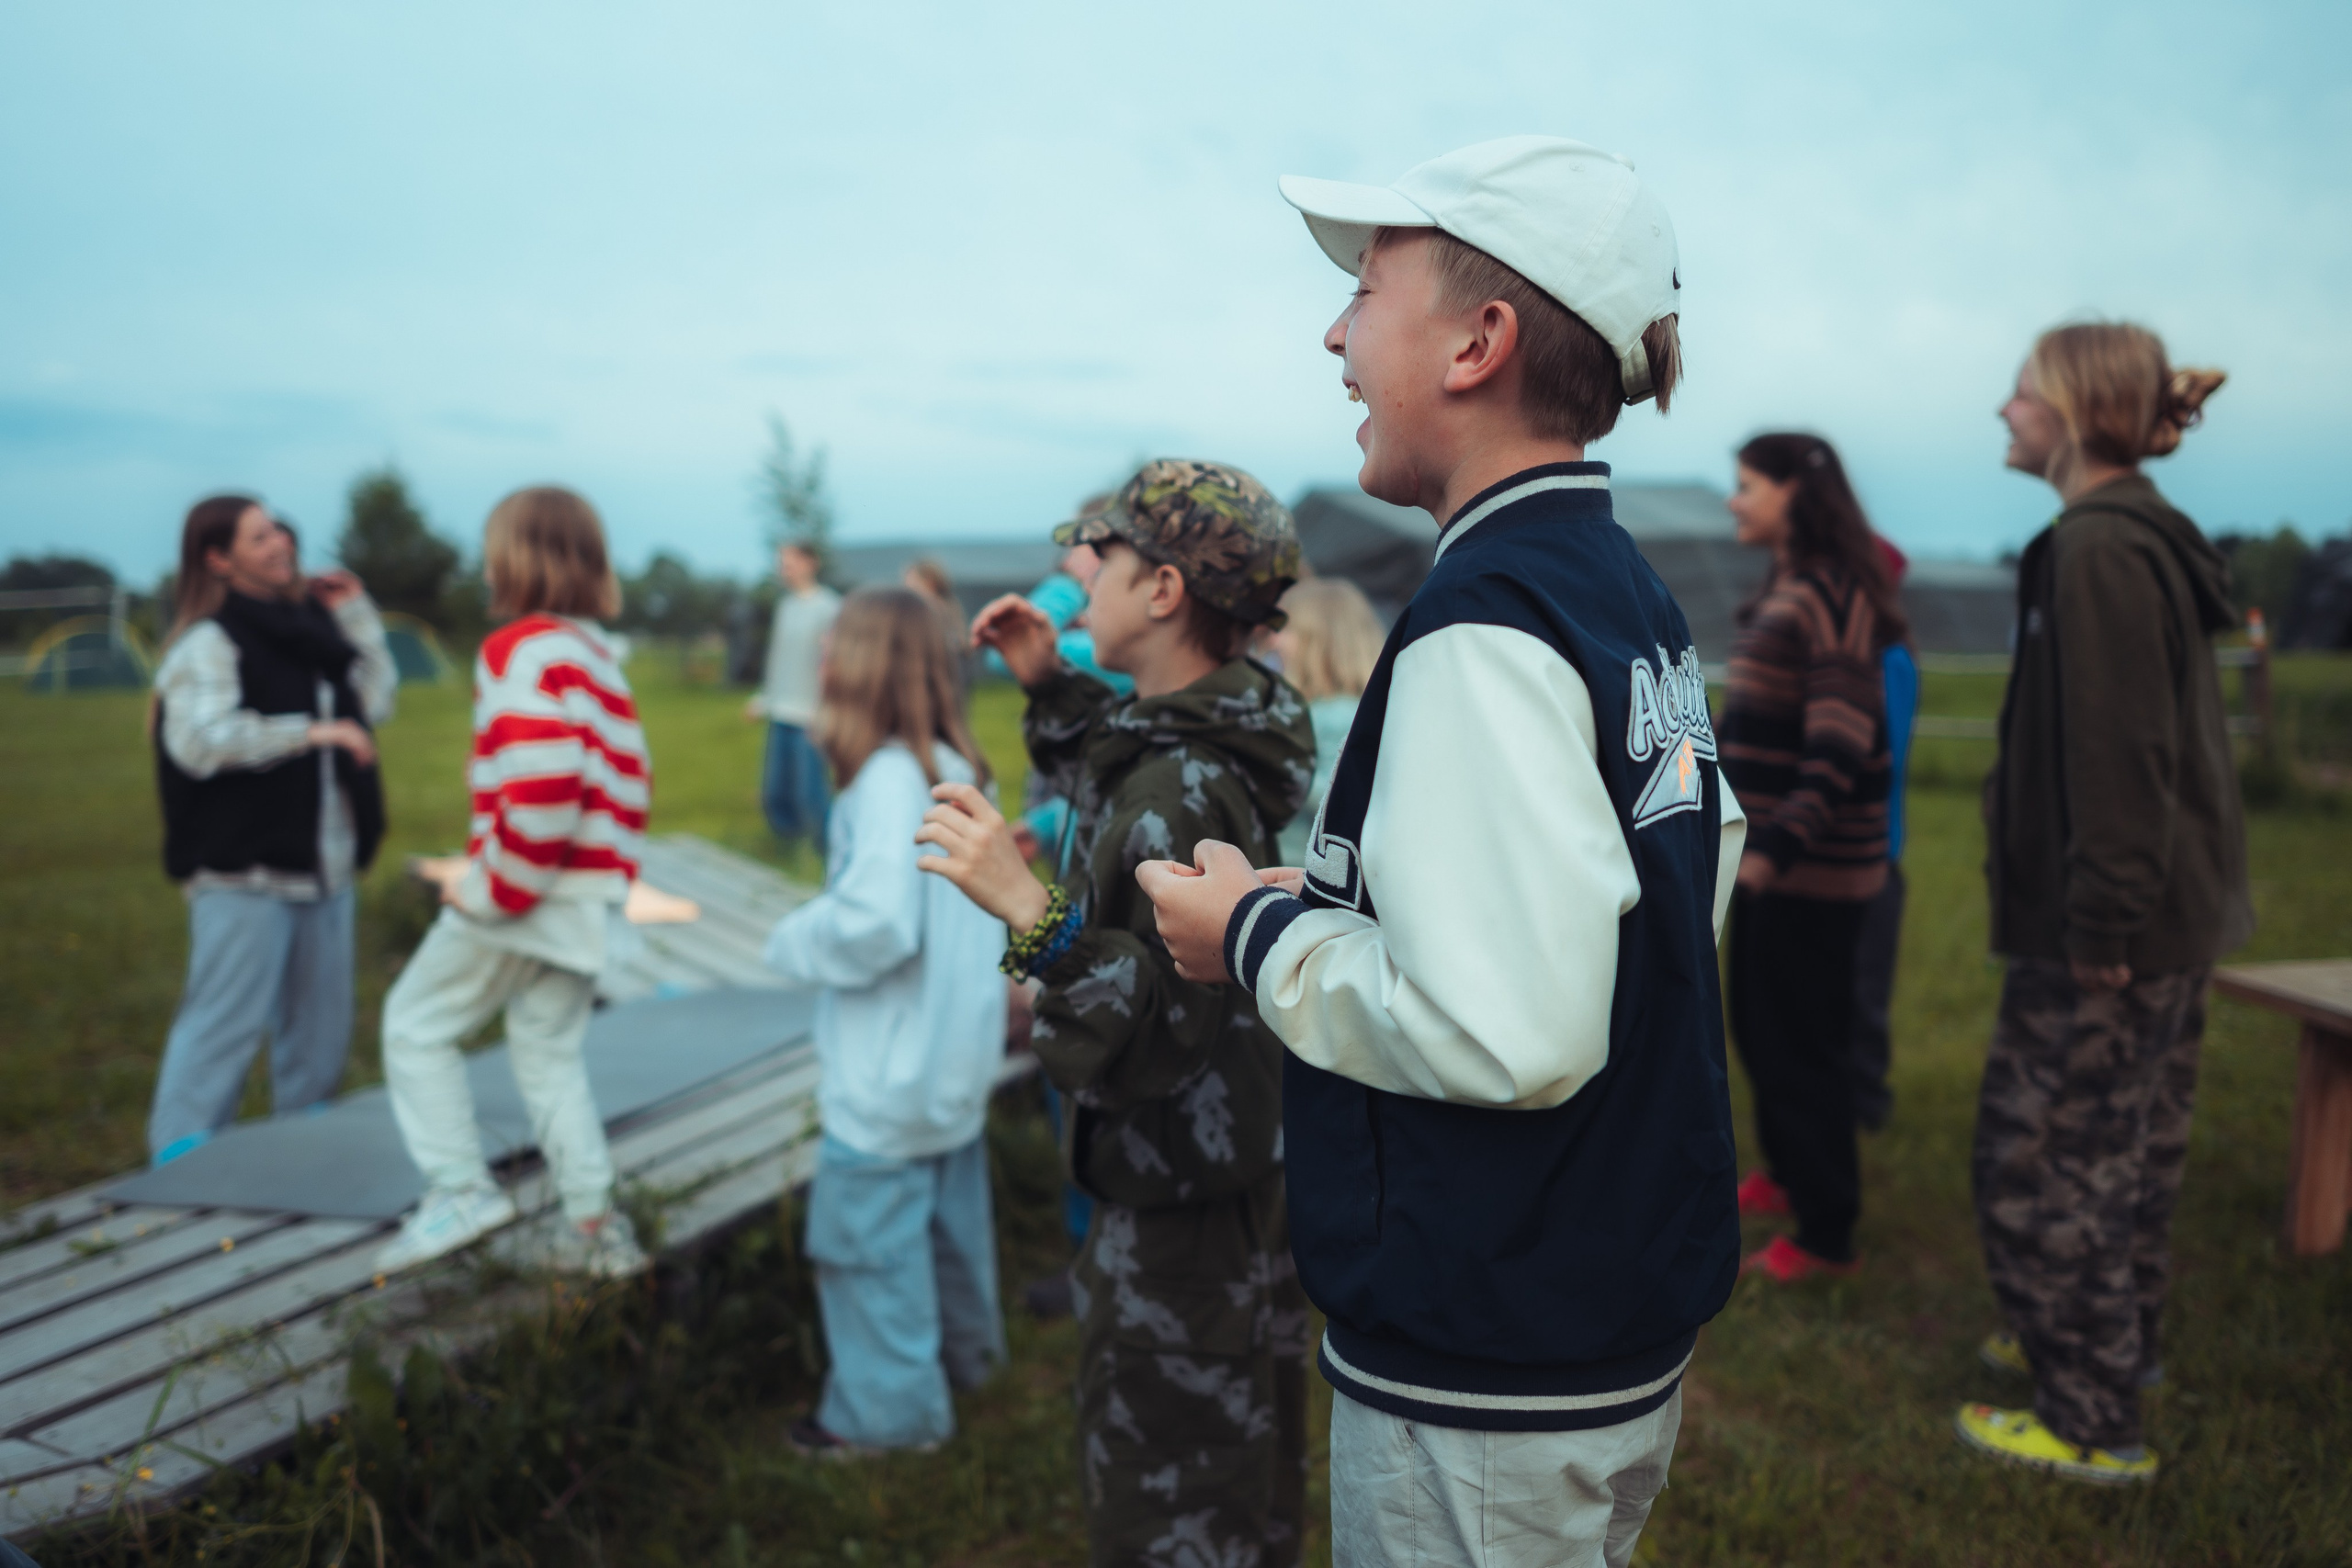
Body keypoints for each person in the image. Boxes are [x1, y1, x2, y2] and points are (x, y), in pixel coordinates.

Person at [1140, 137, 1747, 1568]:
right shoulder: (1614, 578)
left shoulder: (1486, 615)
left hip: (1490, 1348)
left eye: (1365, 289)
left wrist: (1251, 934)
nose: (1334, 331)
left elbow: (1505, 1025)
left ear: (1479, 341)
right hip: (1603, 1298)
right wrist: (1354, 898)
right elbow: (1670, 875)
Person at [912, 461, 1315, 1568]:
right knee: (1234, 1479)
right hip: (1217, 1176)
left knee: (1181, 1505)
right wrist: (1049, 683)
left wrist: (1026, 909)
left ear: (1166, 592)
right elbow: (1133, 756)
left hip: (1181, 1194)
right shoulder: (1203, 736)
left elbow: (1154, 1033)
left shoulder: (1178, 787)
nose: (1080, 572)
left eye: (1110, 555)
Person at [1955, 321, 2246, 1485]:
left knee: (2041, 1162)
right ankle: (2112, 1350)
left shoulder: (2096, 551)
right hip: (2164, 915)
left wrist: (2103, 924)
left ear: (2071, 410)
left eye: (2020, 392)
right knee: (2127, 1144)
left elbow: (2123, 755)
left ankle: (2087, 1417)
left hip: (2116, 930)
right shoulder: (2124, 542)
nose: (2003, 411)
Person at [376, 486, 651, 1278]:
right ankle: (594, 1226)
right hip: (588, 898)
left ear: (514, 558)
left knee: (414, 1023)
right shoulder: (598, 656)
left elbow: (545, 781)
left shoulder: (519, 650)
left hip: (529, 895)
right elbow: (629, 783)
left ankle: (459, 1188)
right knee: (547, 1050)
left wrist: (492, 890)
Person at [762, 587, 1011, 1457]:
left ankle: (887, 1420)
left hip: (888, 1073)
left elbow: (874, 924)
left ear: (864, 663)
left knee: (866, 1253)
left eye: (832, 645)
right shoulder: (958, 763)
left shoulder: (882, 781)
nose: (821, 661)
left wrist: (792, 938)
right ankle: (968, 1362)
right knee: (947, 1230)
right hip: (952, 1062)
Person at [147, 495, 395, 1164]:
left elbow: (373, 701)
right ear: (219, 559)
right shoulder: (211, 640)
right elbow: (199, 740)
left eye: (281, 529)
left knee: (319, 1035)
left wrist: (355, 614)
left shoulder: (311, 632)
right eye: (260, 538)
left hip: (326, 863)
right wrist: (313, 734)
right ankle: (183, 1162)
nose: (282, 543)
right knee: (223, 1025)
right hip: (243, 868)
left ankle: (301, 1157)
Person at [1715, 434, 1905, 1283]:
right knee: (1759, 1028)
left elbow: (1839, 745)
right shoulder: (1787, 588)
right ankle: (1788, 1174)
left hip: (1809, 876)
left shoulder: (1831, 595)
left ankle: (1830, 1234)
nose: (1734, 500)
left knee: (1805, 1048)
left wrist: (1774, 852)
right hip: (1767, 868)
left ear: (1796, 493)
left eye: (1748, 484)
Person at [1850, 536, 1917, 1133]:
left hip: (1874, 857)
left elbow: (1884, 753)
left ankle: (1867, 1101)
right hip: (1853, 855)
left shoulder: (1889, 658)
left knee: (1864, 990)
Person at [1266, 577, 1385, 865]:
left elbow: (1339, 799)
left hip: (1299, 878)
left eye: (1286, 629)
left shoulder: (1334, 717)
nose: (1274, 640)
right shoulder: (1359, 712)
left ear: (1318, 640)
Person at [748, 542, 841, 845]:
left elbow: (834, 664)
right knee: (776, 791)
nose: (783, 569)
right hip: (781, 711)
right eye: (781, 563)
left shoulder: (828, 607)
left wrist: (826, 709)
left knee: (810, 791)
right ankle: (786, 847)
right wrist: (764, 699)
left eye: (789, 563)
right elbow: (778, 659)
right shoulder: (786, 606)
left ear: (810, 563)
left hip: (811, 715)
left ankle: (824, 848)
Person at [901, 557, 974, 700]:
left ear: (929, 582)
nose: (906, 588)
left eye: (912, 582)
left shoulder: (931, 609)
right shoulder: (951, 605)